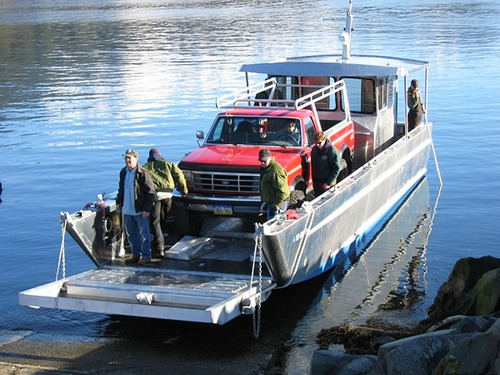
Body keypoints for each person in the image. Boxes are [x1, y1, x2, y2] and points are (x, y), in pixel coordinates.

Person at [143, 148, 188, 258]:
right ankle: (165, 236)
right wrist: (184, 191)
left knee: (155, 222)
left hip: (155, 196)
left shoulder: (145, 167)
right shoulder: (169, 164)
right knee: (165, 216)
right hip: (168, 195)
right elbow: (180, 177)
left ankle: (159, 249)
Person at [116, 149, 155, 265]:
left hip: (139, 210)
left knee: (144, 234)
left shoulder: (143, 173)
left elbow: (150, 192)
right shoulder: (123, 172)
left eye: (130, 158)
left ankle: (146, 256)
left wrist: (147, 209)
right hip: (127, 209)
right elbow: (121, 190)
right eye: (126, 158)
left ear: (136, 158)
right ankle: (135, 254)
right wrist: (119, 203)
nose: (127, 160)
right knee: (131, 234)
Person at [258, 149, 290, 220]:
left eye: (264, 161)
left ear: (270, 158)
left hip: (278, 205)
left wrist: (275, 206)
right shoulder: (266, 169)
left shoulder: (275, 171)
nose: (262, 163)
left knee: (274, 227)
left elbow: (283, 191)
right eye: (261, 161)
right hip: (270, 203)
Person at [311, 131, 341, 198]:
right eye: (315, 143)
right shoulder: (314, 150)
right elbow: (313, 166)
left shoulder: (332, 151)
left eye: (319, 143)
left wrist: (328, 183)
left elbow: (336, 168)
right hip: (317, 183)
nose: (317, 145)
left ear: (324, 139)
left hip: (328, 183)